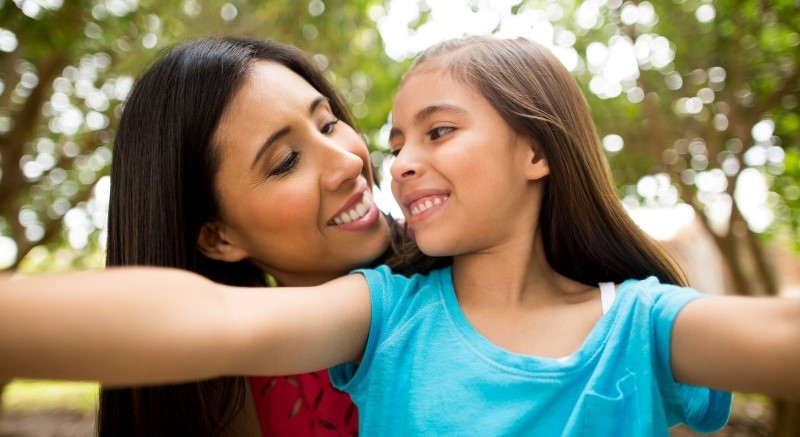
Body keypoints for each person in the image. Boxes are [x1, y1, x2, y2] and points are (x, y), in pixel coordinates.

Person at [3, 36, 800, 435]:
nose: (374, 162)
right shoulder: (381, 318)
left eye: (438, 132)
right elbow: (206, 321)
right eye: (396, 143)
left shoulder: (644, 322)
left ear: (536, 150)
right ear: (215, 236)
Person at [82, 37, 438, 436]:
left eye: (328, 124)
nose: (349, 161)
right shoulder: (230, 399)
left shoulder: (473, 265)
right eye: (286, 162)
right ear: (217, 238)